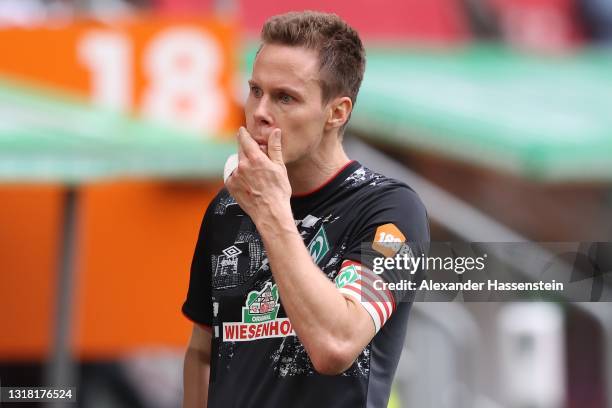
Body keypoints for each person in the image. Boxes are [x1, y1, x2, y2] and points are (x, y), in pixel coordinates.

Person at [182, 11, 429, 408]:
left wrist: (273, 214)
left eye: (285, 97)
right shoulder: (227, 209)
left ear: (337, 112)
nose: (260, 111)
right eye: (255, 90)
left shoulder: (392, 211)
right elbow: (201, 352)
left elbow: (336, 344)